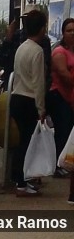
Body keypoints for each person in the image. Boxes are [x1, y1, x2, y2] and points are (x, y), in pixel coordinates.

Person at [9, 9, 48, 197]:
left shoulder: (21, 48)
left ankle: (20, 179)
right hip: (29, 100)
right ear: (42, 29)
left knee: (22, 141)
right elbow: (38, 83)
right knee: (27, 142)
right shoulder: (38, 51)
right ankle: (22, 182)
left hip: (16, 98)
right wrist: (41, 108)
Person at [48, 18, 74, 179]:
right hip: (59, 97)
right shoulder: (59, 52)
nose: (72, 33)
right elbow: (65, 77)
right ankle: (58, 165)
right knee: (62, 131)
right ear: (63, 33)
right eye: (69, 30)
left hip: (71, 98)